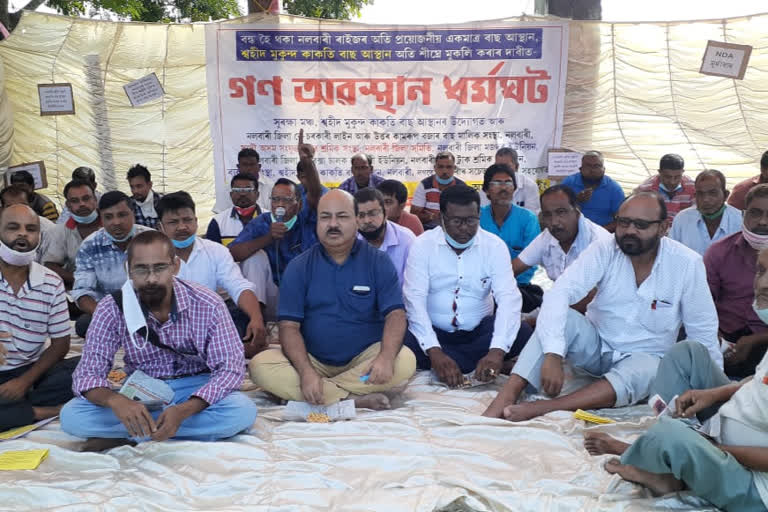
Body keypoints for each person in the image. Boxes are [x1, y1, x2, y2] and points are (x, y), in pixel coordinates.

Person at [483, 192, 722, 421]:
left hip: (644, 356)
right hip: (597, 346)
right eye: (624, 222)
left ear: (662, 227)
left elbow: (703, 331)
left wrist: (714, 392)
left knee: (651, 369)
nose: (629, 231)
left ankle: (546, 407)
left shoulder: (687, 264)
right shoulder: (605, 248)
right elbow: (561, 292)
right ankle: (508, 394)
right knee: (560, 314)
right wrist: (553, 354)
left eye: (640, 225)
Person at [584, 250, 768, 511]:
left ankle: (663, 463)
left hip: (754, 486)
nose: (763, 284)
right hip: (727, 430)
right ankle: (674, 451)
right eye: (760, 271)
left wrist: (717, 449)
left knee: (670, 433)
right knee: (687, 353)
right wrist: (713, 395)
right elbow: (759, 381)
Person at [60, 231, 257, 452]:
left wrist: (184, 410)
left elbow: (230, 369)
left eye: (160, 268)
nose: (151, 278)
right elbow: (87, 374)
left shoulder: (207, 303)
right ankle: (168, 429)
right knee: (71, 416)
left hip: (195, 387)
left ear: (175, 266)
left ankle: (135, 434)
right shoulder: (111, 307)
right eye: (141, 269)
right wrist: (117, 402)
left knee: (242, 411)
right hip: (141, 391)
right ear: (129, 269)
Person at [248, 190, 416, 410]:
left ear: (356, 220)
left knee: (404, 360)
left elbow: (395, 314)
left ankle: (321, 393)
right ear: (316, 222)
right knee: (260, 366)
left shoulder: (378, 262)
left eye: (342, 216)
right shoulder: (299, 267)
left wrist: (385, 357)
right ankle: (350, 398)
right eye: (325, 217)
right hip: (312, 359)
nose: (333, 224)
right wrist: (307, 372)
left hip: (364, 361)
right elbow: (289, 326)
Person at [403, 185, 532, 386]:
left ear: (479, 215)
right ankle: (458, 363)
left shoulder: (494, 247)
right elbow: (414, 302)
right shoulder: (422, 246)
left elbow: (508, 300)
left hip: (480, 336)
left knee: (523, 332)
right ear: (441, 218)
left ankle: (476, 362)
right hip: (435, 336)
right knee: (399, 334)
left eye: (471, 220)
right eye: (456, 221)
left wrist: (496, 352)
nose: (464, 228)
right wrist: (435, 352)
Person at [157, 192, 267, 357]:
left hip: (210, 322)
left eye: (187, 220)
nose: (182, 227)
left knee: (244, 323)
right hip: (169, 324)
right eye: (173, 222)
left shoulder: (216, 251)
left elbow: (238, 286)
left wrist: (256, 317)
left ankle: (216, 352)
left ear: (196, 220)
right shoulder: (150, 256)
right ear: (160, 227)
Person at [0, 205, 79, 432]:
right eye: (13, 227)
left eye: (31, 229)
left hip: (33, 374)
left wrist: (24, 382)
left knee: (85, 369)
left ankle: (13, 409)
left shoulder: (51, 282)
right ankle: (42, 412)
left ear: (39, 236)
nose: (23, 234)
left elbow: (61, 344)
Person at [229, 158, 323, 319]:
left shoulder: (306, 219)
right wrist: (267, 238)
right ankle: (256, 322)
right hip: (272, 296)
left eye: (286, 200)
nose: (279, 204)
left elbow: (315, 193)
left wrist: (307, 161)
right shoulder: (262, 222)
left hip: (305, 295)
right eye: (275, 199)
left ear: (298, 205)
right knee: (254, 259)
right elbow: (232, 253)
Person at [704, 183, 768, 378]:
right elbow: (702, 305)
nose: (763, 221)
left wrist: (757, 340)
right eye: (755, 213)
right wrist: (715, 338)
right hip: (725, 342)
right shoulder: (718, 252)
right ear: (743, 215)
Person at [72, 191, 153, 338]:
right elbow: (82, 292)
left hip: (150, 311)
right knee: (83, 325)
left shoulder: (151, 240)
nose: (116, 222)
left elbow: (169, 283)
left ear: (133, 213)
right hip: (110, 313)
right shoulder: (90, 246)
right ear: (100, 218)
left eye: (122, 215)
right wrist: (107, 316)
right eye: (108, 217)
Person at [514, 184, 611, 287]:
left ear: (577, 211)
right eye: (547, 215)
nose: (554, 222)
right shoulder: (548, 236)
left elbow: (584, 297)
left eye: (561, 212)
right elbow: (515, 267)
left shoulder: (599, 242)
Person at [478, 164, 542, 312]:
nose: (504, 188)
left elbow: (531, 260)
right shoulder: (477, 218)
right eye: (497, 183)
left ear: (514, 189)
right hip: (483, 287)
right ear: (487, 190)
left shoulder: (528, 219)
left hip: (519, 286)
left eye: (508, 182)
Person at [43, 179, 101, 289]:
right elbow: (50, 265)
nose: (82, 204)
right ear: (68, 205)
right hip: (80, 289)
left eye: (86, 198)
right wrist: (80, 280)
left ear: (95, 199)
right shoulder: (61, 231)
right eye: (75, 201)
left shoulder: (111, 224)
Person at [669, 169, 741, 256]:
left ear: (725, 195)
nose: (705, 199)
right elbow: (671, 254)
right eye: (700, 194)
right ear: (695, 196)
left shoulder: (740, 221)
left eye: (713, 193)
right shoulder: (682, 219)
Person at [354, 188, 415, 285]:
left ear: (385, 214)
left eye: (372, 213)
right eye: (361, 215)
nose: (367, 220)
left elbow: (413, 286)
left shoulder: (406, 240)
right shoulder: (350, 240)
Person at [560, 151, 625, 232]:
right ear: (580, 169)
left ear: (603, 169)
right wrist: (576, 200)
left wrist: (597, 233)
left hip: (603, 233)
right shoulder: (569, 183)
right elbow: (557, 209)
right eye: (588, 166)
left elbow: (622, 219)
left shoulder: (614, 188)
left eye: (597, 166)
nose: (592, 170)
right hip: (571, 232)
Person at [410, 151, 466, 230]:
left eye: (449, 167)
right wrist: (433, 217)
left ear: (454, 168)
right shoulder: (424, 185)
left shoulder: (461, 187)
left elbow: (466, 214)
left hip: (454, 230)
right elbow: (414, 215)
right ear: (435, 168)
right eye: (441, 167)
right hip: (429, 230)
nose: (444, 171)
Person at [0, 184, 55, 263]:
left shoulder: (47, 228)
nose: (18, 210)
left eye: (22, 205)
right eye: (11, 207)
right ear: (2, 209)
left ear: (30, 206)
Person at [479, 147, 541, 214]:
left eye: (506, 166)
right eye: (498, 166)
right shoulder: (489, 186)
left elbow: (532, 215)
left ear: (516, 167)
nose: (501, 169)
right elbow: (483, 213)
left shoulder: (529, 186)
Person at [635, 153, 695, 221]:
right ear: (659, 172)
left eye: (677, 177)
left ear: (683, 172)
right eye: (667, 177)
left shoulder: (693, 188)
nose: (672, 182)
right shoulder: (645, 190)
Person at [206, 173, 261, 246]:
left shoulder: (270, 218)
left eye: (248, 189)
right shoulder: (218, 222)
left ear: (257, 194)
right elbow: (212, 254)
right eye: (237, 190)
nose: (242, 194)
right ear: (231, 195)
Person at [237, 148, 274, 214]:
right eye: (245, 165)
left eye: (252, 165)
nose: (248, 168)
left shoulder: (271, 186)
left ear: (259, 167)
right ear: (238, 167)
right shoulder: (228, 188)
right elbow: (222, 215)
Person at [127, 164, 163, 228]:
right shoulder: (128, 205)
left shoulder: (163, 202)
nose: (135, 191)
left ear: (150, 185)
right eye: (132, 187)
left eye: (139, 186)